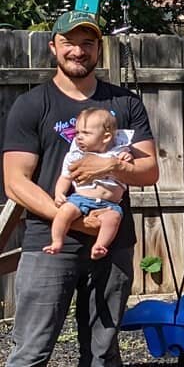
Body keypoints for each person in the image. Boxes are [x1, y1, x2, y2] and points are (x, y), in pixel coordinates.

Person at [0, 10, 158, 367]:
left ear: (98, 49)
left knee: (102, 347)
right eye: (70, 42)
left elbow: (149, 169)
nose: (79, 51)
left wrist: (108, 163)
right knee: (30, 352)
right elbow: (15, 180)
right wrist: (70, 217)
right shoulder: (33, 105)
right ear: (54, 46)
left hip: (112, 245)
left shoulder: (124, 104)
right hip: (50, 243)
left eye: (88, 43)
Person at [45, 106, 131, 259]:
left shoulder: (119, 152)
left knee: (113, 219)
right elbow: (65, 177)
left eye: (85, 133)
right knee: (64, 212)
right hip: (80, 199)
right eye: (77, 132)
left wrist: (126, 159)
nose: (78, 137)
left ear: (105, 137)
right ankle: (57, 241)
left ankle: (100, 246)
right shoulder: (75, 156)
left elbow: (129, 168)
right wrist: (60, 193)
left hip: (110, 204)